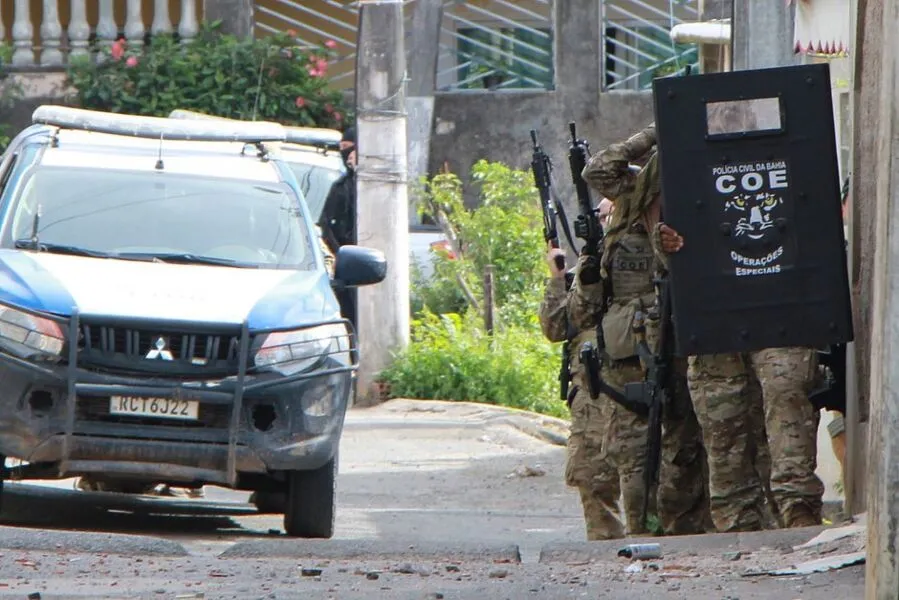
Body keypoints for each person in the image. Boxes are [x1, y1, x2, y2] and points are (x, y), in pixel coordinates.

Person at [656, 176, 824, 531]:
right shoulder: (678, 149)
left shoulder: (776, 148)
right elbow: (604, 176)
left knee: (786, 401)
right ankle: (738, 527)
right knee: (724, 430)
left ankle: (797, 509)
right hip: (714, 317)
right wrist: (664, 242)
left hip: (779, 305)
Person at [568, 131, 711, 536]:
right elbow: (597, 169)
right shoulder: (632, 202)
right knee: (633, 452)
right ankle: (641, 531)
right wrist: (656, 131)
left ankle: (685, 530)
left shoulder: (687, 192)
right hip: (629, 353)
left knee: (685, 447)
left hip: (679, 337)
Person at [538, 245, 625, 540]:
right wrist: (558, 278)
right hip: (591, 391)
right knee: (592, 474)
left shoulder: (638, 267)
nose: (604, 222)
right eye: (600, 217)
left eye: (608, 215)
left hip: (634, 385)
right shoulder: (580, 278)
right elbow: (554, 328)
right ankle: (606, 546)